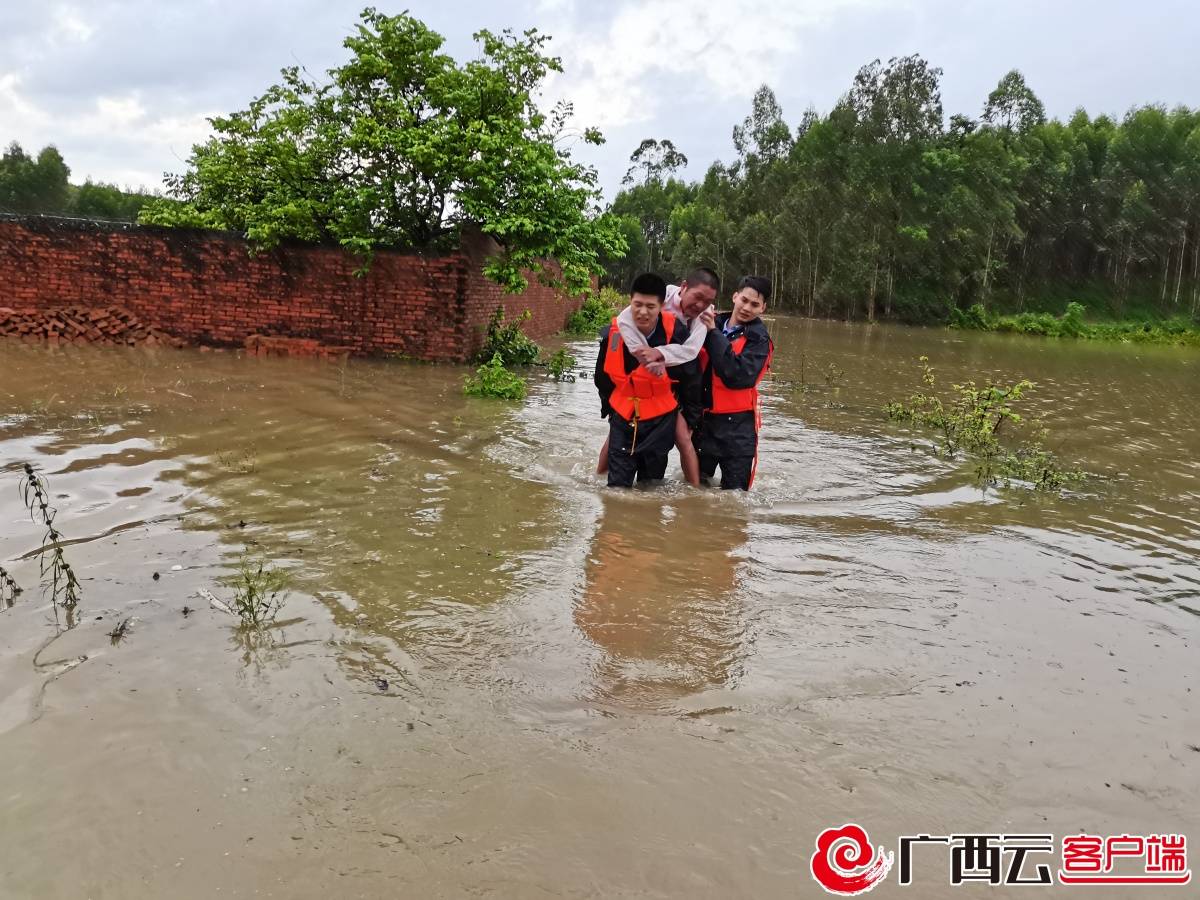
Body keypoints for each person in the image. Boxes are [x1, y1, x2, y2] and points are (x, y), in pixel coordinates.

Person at [596, 267, 719, 485]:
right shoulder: (616, 331)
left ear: (661, 307)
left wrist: (690, 415)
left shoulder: (685, 328)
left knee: (654, 482)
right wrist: (609, 408)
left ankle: (694, 491)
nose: (643, 312)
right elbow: (603, 376)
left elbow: (691, 374)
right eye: (638, 305)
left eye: (650, 307)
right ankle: (597, 476)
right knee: (616, 486)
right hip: (625, 413)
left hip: (661, 414)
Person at [694, 275, 774, 491]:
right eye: (744, 300)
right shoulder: (711, 321)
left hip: (738, 429)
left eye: (755, 304)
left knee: (735, 499)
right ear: (735, 296)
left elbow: (737, 375)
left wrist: (712, 333)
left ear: (763, 308)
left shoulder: (759, 340)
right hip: (704, 424)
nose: (747, 307)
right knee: (693, 490)